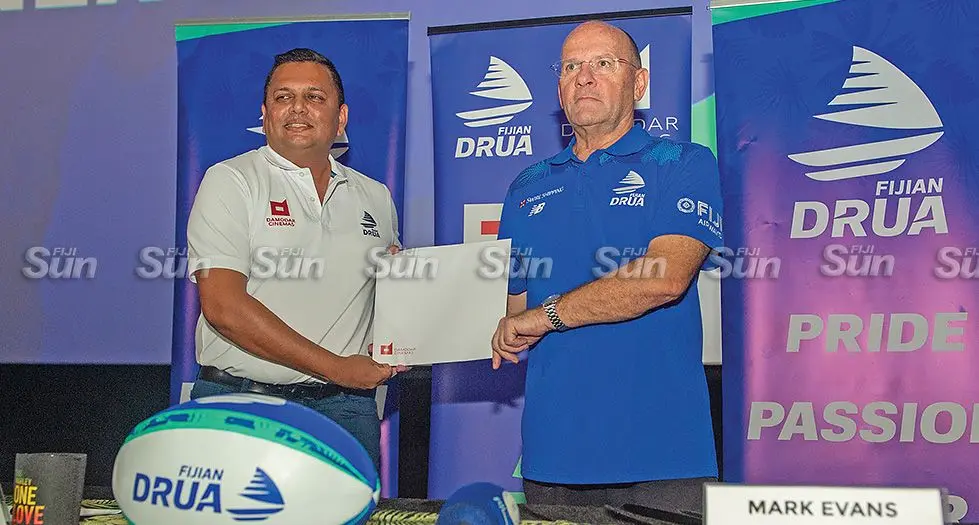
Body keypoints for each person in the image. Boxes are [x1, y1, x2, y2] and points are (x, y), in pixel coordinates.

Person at [491, 21, 723, 511]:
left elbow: (664, 278)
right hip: (553, 459)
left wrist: (548, 315)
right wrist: (410, 299)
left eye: (603, 63)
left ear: (639, 84)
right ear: (559, 86)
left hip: (662, 455)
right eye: (572, 66)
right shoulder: (526, 185)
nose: (584, 77)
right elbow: (509, 310)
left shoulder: (682, 162)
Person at [185, 48, 403, 470]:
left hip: (345, 414)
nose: (298, 108)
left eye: (315, 97)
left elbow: (384, 301)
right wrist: (337, 368)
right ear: (265, 114)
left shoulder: (376, 196)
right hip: (243, 404)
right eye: (284, 97)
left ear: (341, 117)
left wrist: (408, 298)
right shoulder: (230, 180)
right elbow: (224, 307)